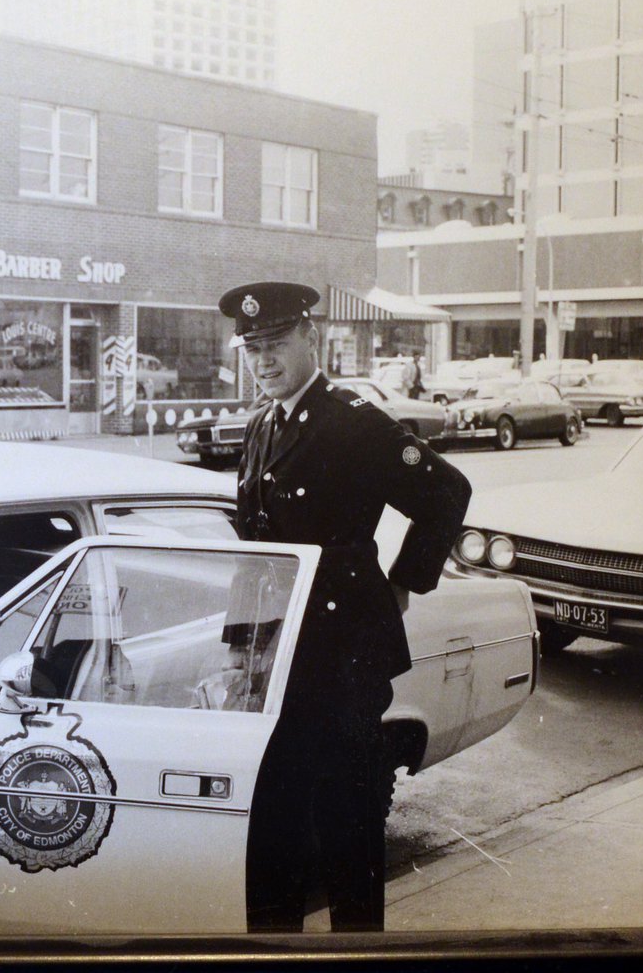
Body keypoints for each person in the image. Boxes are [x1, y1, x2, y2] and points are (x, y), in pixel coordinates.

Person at [217, 281, 472, 933]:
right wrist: (240, 654)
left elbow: (447, 491)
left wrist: (402, 583)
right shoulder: (262, 427)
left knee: (345, 840)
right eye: (252, 349)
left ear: (310, 337)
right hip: (276, 668)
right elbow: (256, 552)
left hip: (342, 667)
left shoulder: (353, 421)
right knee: (269, 838)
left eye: (275, 344)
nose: (263, 360)